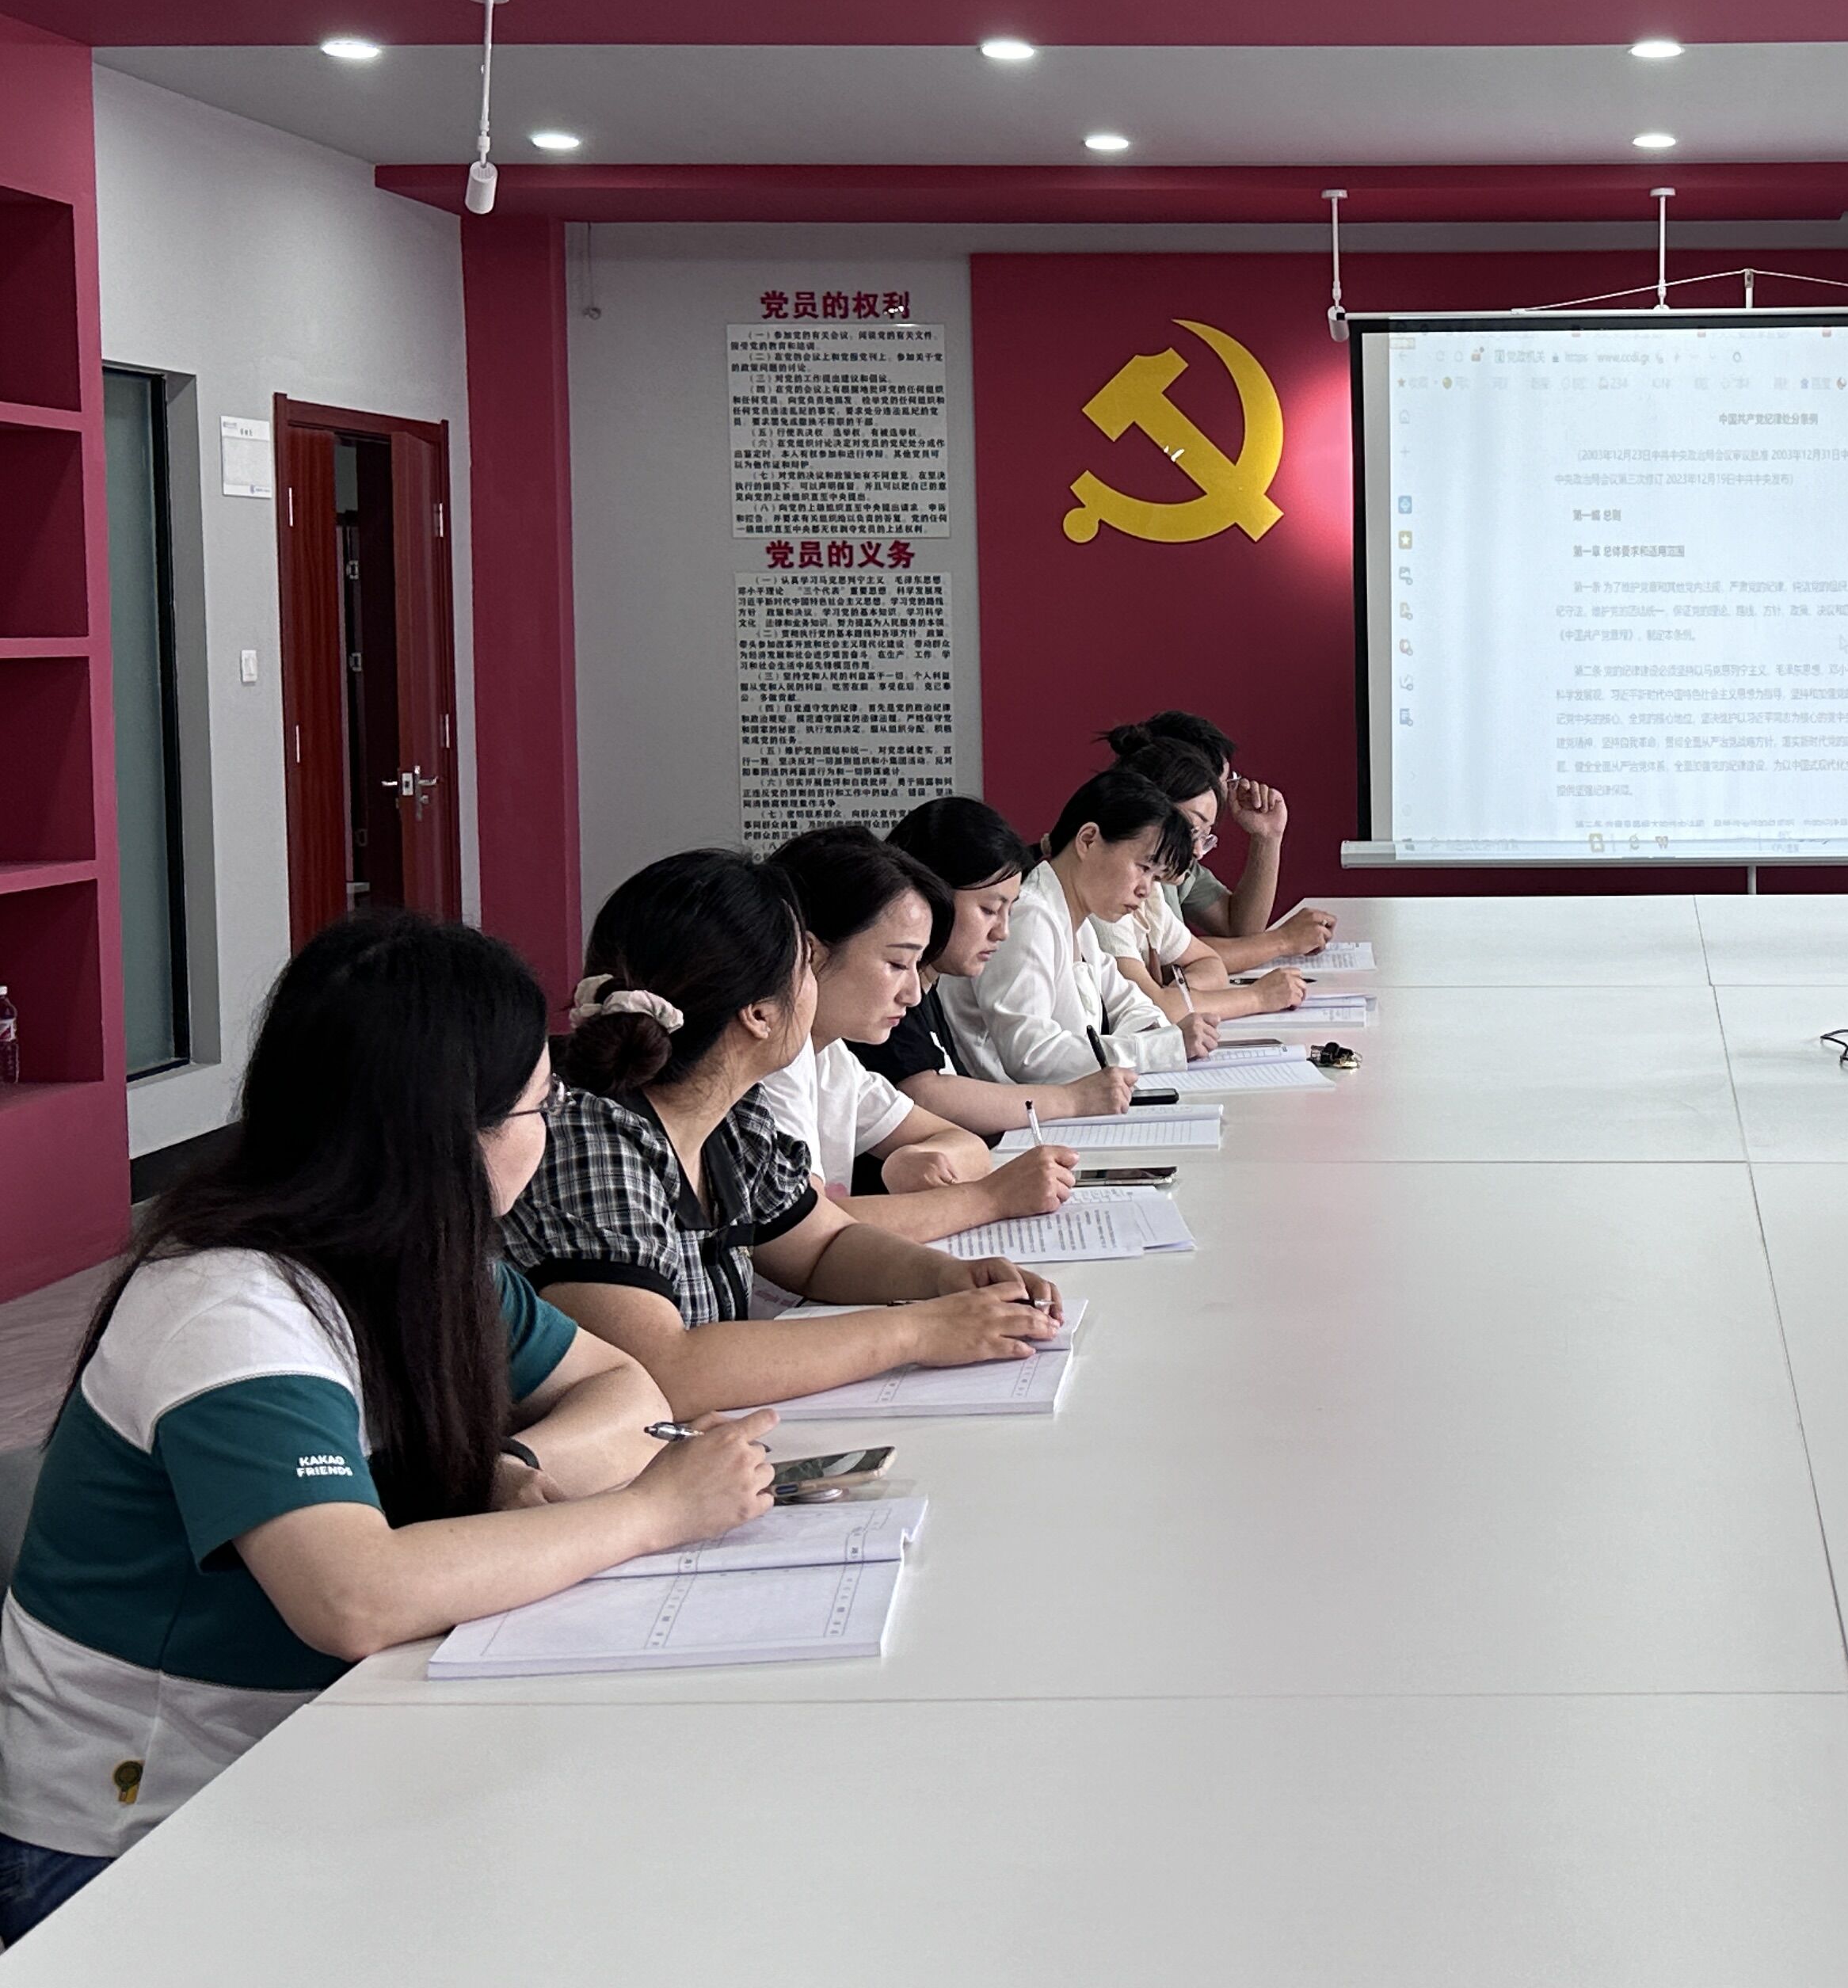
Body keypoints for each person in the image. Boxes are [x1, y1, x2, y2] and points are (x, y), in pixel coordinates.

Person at [0, 911, 775, 1939]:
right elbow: (353, 1599)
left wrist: (513, 1462)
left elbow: (626, 1389)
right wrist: (652, 1513)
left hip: (315, 1755)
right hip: (129, 1842)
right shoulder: (231, 1310)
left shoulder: (421, 1265)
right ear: (447, 1135)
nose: (550, 1136)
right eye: (539, 1109)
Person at [502, 849, 1067, 1418]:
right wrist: (918, 1330)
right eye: (805, 968)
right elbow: (662, 1370)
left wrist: (948, 1279)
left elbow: (822, 1247)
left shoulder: (732, 1118)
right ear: (759, 1013)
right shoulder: (589, 1140)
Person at [760, 825, 1080, 1243]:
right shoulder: (771, 1062)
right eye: (896, 964)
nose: (912, 994)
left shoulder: (831, 1057)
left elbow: (966, 1144)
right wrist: (990, 1198)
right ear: (811, 953)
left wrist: (918, 1157)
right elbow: (803, 1230)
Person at [869, 796, 1137, 1136]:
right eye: (988, 910)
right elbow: (925, 1094)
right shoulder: (887, 987)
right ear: (930, 895)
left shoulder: (928, 984)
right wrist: (1073, 1099)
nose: (1003, 932)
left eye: (1009, 911)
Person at [945, 770, 1215, 1086]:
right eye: (1143, 867)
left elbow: (1132, 1004)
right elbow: (1031, 1055)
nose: (1146, 889)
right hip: (1012, 1109)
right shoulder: (1029, 917)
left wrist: (1159, 1040)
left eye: (1155, 877)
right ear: (1088, 840)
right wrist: (1158, 1048)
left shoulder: (1079, 921)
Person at [1098, 735, 1309, 1026]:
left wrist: (1179, 997)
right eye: (1192, 830)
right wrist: (1259, 996)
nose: (1197, 851)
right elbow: (1157, 1009)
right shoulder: (1111, 891)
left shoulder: (1153, 890)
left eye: (1205, 836)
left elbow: (1213, 960)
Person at [1104, 713, 1336, 965]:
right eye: (1224, 782)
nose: (1227, 794)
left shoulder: (1175, 862)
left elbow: (1236, 930)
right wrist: (1283, 941)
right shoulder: (1122, 865)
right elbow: (1173, 963)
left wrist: (1267, 837)